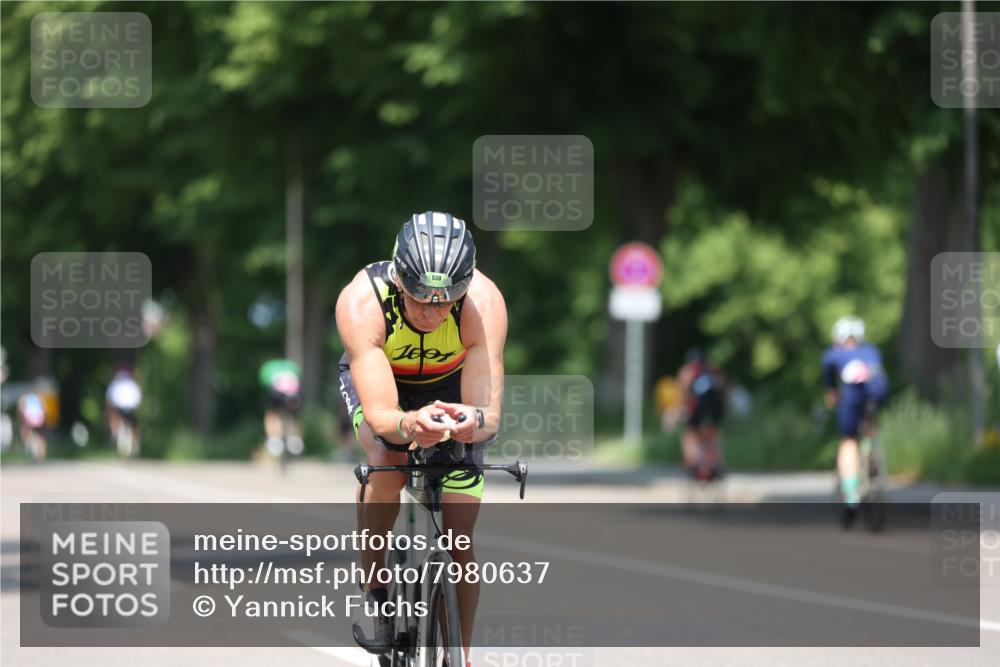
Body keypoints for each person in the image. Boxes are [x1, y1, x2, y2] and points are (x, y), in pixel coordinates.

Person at [335, 212, 506, 666]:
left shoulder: (483, 304)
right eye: (418, 300)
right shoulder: (362, 302)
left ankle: (461, 655)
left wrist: (472, 420)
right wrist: (410, 426)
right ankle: (376, 590)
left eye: (445, 301)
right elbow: (384, 417)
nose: (431, 313)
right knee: (385, 460)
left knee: (460, 537)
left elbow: (488, 415)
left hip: (452, 386)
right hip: (387, 385)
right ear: (398, 278)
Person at [821, 316, 888, 525]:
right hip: (876, 396)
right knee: (869, 424)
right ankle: (872, 455)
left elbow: (830, 385)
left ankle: (851, 495)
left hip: (850, 398)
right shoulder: (871, 351)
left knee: (848, 441)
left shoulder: (833, 355)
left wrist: (832, 395)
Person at [677, 348, 727, 481]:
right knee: (714, 435)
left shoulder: (688, 371)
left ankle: (693, 465)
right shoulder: (714, 370)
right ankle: (718, 465)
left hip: (697, 409)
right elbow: (723, 392)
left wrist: (682, 411)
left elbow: (684, 394)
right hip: (716, 410)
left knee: (690, 435)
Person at [257, 358, 304, 458]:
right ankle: (295, 438)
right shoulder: (292, 368)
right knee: (293, 416)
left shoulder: (267, 368)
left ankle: (274, 439)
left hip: (276, 393)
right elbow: (299, 379)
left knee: (271, 413)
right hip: (293, 394)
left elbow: (264, 384)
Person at [106, 365, 142, 456]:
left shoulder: (116, 384)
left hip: (123, 409)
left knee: (130, 425)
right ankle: (134, 443)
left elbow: (110, 398)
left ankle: (117, 436)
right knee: (133, 424)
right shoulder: (132, 385)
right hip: (128, 409)